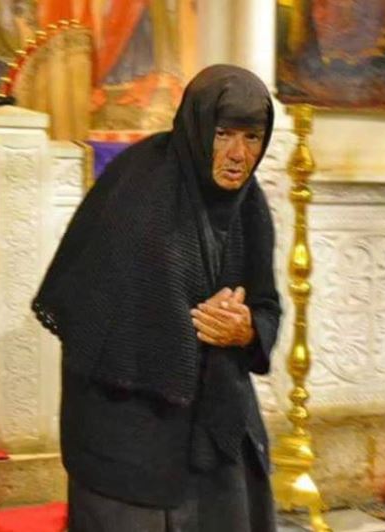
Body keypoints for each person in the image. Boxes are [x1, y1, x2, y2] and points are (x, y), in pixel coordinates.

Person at [32, 64, 281, 532]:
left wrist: (247, 329)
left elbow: (266, 306)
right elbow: (94, 314)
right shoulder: (139, 189)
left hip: (216, 433)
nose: (238, 154)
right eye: (223, 134)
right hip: (128, 438)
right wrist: (196, 326)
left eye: (252, 138)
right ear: (197, 126)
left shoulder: (250, 205)